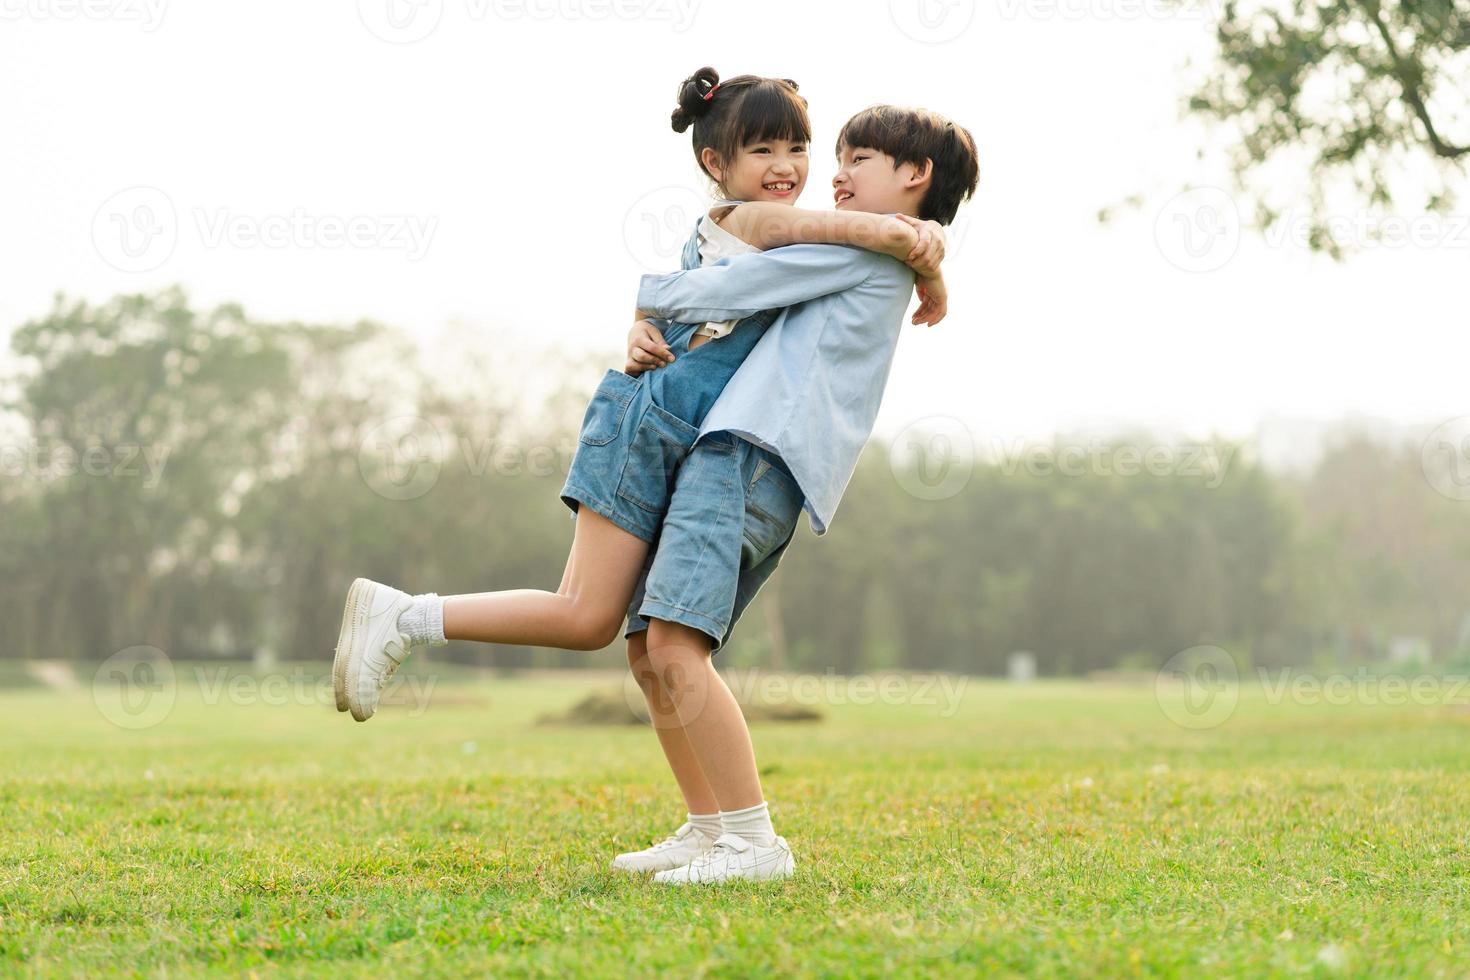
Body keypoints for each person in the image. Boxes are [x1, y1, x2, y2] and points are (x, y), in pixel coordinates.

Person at [333, 69, 945, 721]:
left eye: (797, 148)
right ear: (716, 162)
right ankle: (403, 617)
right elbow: (868, 235)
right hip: (646, 420)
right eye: (762, 150)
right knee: (585, 615)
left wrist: (927, 265)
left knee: (593, 618)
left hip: (669, 427)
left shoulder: (784, 232)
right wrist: (922, 254)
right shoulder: (751, 220)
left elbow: (683, 295)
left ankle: (405, 617)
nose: (786, 166)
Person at [613, 103, 980, 883]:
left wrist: (647, 299)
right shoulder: (889, 251)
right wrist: (932, 254)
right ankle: (710, 827)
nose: (836, 176)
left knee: (675, 644)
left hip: (752, 452)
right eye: (839, 157)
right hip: (746, 453)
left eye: (860, 160)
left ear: (915, 176)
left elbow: (740, 283)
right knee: (653, 648)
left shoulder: (861, 256)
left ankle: (753, 843)